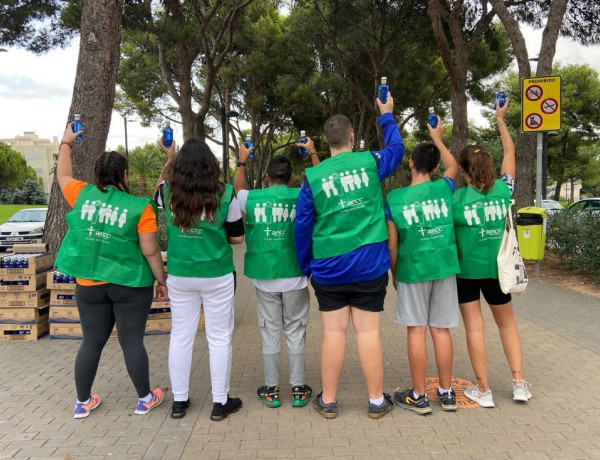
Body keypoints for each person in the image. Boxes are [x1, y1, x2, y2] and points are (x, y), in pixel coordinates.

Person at [294, 94, 405, 419]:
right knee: (368, 332)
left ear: (326, 142)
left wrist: (305, 265)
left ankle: (328, 400)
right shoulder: (370, 162)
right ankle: (375, 401)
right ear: (352, 138)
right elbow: (397, 151)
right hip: (370, 265)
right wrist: (386, 115)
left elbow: (302, 226)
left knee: (333, 332)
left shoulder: (312, 179)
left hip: (328, 268)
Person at [55, 124, 168, 419]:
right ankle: (144, 399)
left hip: (89, 284)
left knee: (91, 341)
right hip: (130, 283)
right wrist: (161, 279)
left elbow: (62, 176)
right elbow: (150, 251)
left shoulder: (81, 194)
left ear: (96, 175)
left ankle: (82, 403)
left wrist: (67, 143)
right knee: (131, 341)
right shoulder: (140, 206)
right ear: (125, 175)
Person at [156, 137, 245, 420]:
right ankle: (220, 403)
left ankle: (179, 402)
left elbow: (158, 190)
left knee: (181, 336)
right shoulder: (225, 193)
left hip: (180, 274)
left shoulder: (167, 192)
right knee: (219, 338)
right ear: (211, 165)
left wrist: (169, 157)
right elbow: (238, 237)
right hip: (216, 273)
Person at [452, 100, 532, 406]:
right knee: (507, 325)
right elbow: (510, 154)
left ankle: (483, 390)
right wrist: (500, 120)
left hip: (467, 273)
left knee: (475, 327)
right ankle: (519, 384)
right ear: (489, 165)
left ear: (462, 170)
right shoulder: (504, 189)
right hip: (500, 271)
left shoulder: (456, 199)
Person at [386, 116, 460, 415]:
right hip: (444, 266)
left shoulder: (394, 198)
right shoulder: (445, 187)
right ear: (434, 168)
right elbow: (454, 166)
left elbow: (392, 244)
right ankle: (446, 391)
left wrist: (394, 273)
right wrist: (438, 137)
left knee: (416, 330)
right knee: (441, 330)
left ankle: (418, 395)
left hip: (412, 269)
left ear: (410, 164)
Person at [234, 150, 312, 408]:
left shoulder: (253, 198)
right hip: (295, 276)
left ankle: (271, 390)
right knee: (295, 330)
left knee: (270, 332)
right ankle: (299, 389)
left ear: (266, 177)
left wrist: (242, 161)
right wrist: (312, 153)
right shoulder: (302, 196)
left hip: (264, 277)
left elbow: (239, 190)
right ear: (291, 178)